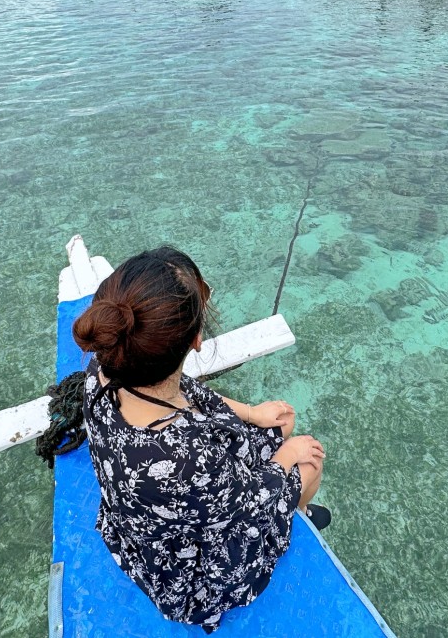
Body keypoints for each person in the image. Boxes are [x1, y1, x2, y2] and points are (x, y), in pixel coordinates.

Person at [73, 247, 328, 634]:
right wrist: (287, 458)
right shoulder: (189, 459)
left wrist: (251, 412)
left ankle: (290, 496)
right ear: (195, 340)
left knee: (279, 427)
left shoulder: (104, 368)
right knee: (308, 461)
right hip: (189, 577)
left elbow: (182, 391)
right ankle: (297, 517)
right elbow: (248, 505)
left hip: (140, 528)